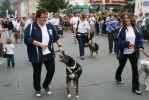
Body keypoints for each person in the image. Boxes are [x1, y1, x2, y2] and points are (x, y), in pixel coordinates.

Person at [24, 8, 63, 97]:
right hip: (36, 53)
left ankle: (45, 84)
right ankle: (37, 89)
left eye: (46, 17)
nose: (45, 19)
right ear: (37, 18)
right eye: (43, 17)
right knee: (37, 72)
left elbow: (56, 37)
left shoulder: (50, 25)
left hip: (48, 52)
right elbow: (27, 39)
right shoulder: (31, 26)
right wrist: (39, 44)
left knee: (51, 70)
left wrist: (60, 46)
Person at [114, 13, 144, 95]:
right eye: (125, 18)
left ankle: (135, 88)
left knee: (135, 70)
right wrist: (126, 44)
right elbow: (116, 39)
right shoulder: (121, 29)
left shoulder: (136, 28)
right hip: (123, 53)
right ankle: (118, 77)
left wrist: (141, 47)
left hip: (134, 52)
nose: (126, 19)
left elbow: (139, 39)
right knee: (121, 66)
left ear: (131, 19)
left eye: (128, 18)